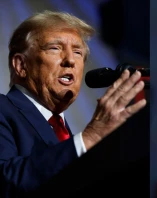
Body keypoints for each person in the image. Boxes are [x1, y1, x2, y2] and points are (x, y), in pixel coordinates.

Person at [0, 10, 147, 198]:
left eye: (77, 52)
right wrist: (91, 136)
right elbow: (6, 182)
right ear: (21, 65)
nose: (70, 60)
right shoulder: (4, 110)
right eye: (54, 48)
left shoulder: (62, 131)